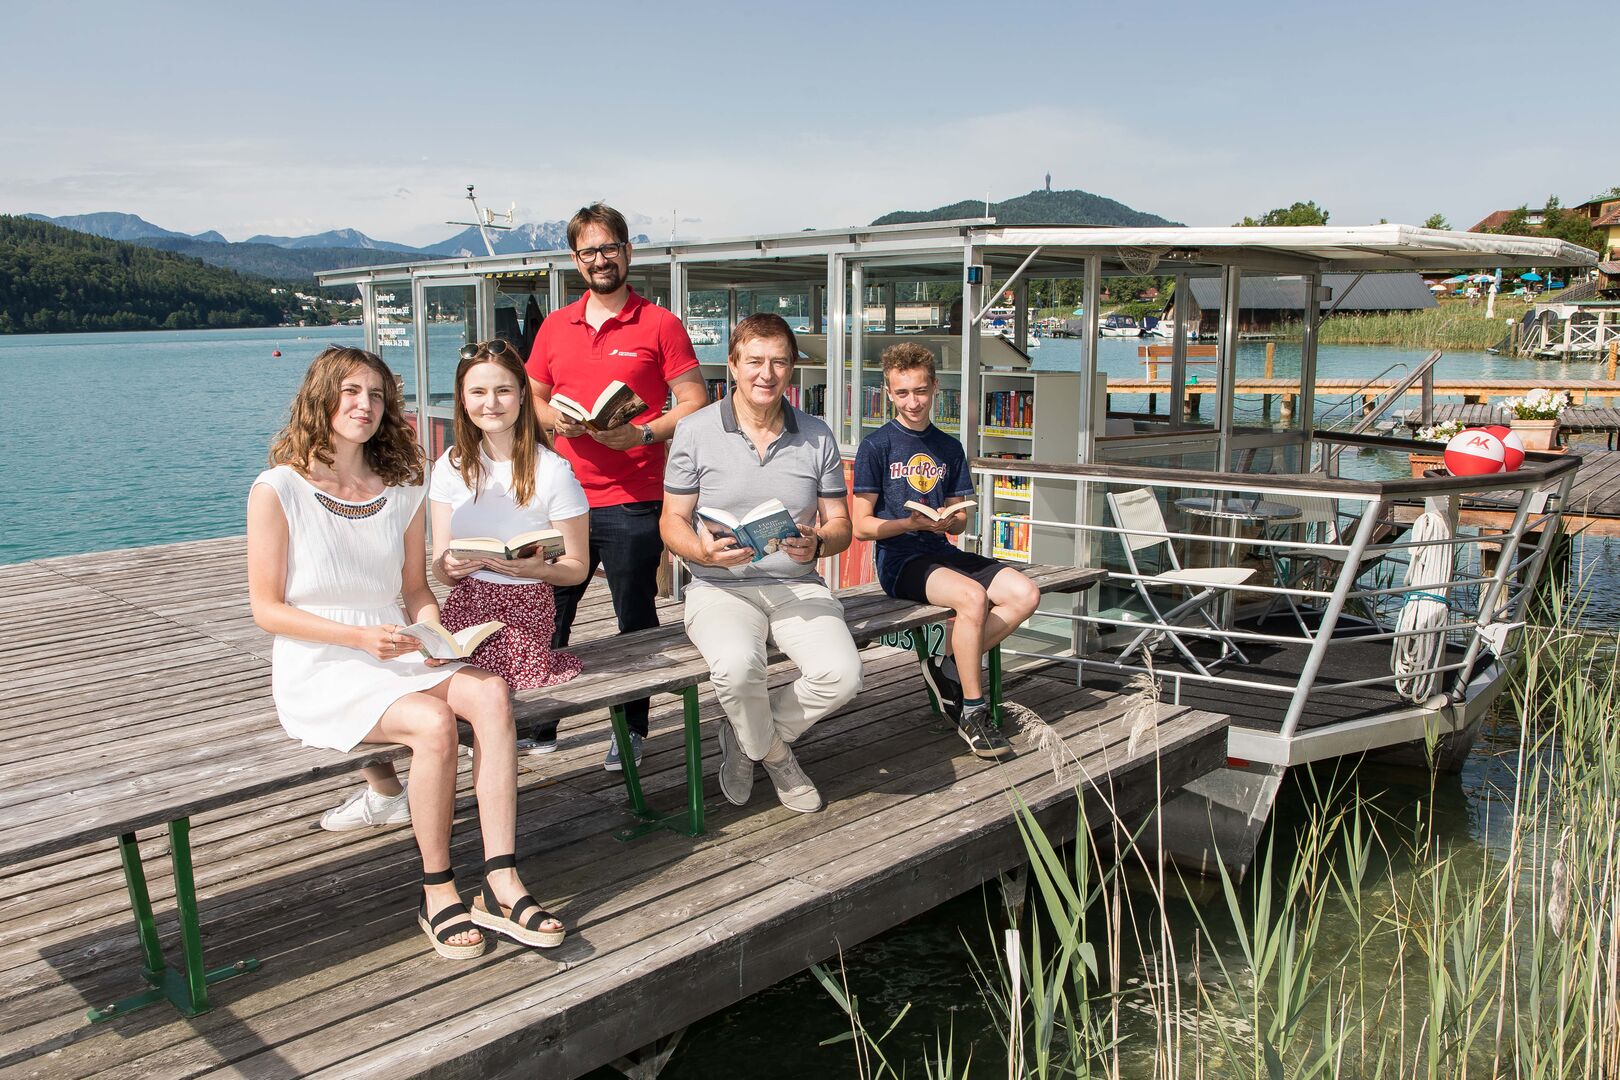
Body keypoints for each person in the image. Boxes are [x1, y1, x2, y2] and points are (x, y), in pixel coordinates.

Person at [247, 346, 564, 959]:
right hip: (323, 660)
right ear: (321, 397)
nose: (364, 405)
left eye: (376, 394)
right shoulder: (278, 489)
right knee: (433, 720)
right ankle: (437, 887)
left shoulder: (402, 487)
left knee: (491, 691)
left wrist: (437, 638)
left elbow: (417, 592)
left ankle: (500, 878)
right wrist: (363, 638)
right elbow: (267, 610)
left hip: (397, 645)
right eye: (350, 392)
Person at [526, 202, 709, 770]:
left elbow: (696, 401)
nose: (600, 260)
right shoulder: (556, 326)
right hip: (562, 502)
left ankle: (631, 730)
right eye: (589, 252)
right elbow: (532, 397)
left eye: (609, 248)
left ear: (628, 252)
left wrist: (643, 435)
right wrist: (560, 420)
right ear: (576, 260)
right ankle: (541, 722)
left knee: (635, 619)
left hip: (633, 499)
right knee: (549, 614)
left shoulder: (660, 324)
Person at [660, 313, 862, 814]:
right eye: (754, 361)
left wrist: (818, 544)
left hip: (797, 583)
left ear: (792, 370)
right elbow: (671, 521)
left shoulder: (817, 436)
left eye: (778, 362)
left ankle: (747, 732)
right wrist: (701, 551)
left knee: (843, 675)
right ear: (732, 365)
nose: (765, 374)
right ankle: (774, 754)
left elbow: (841, 525)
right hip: (718, 585)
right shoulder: (694, 430)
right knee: (735, 667)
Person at [850, 342, 1041, 759]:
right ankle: (972, 712)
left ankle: (948, 664)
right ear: (888, 392)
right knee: (972, 597)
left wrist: (950, 520)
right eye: (902, 393)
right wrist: (909, 522)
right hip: (899, 558)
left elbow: (962, 520)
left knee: (1026, 594)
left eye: (920, 391)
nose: (913, 402)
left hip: (941, 549)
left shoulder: (949, 447)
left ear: (935, 387)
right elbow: (862, 527)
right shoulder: (876, 446)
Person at [429, 339, 590, 698]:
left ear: (521, 395)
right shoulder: (449, 467)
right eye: (478, 392)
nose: (490, 403)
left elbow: (577, 567)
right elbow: (440, 571)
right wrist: (450, 567)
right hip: (465, 611)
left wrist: (539, 570)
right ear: (463, 399)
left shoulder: (553, 470)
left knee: (491, 696)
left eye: (502, 390)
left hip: (525, 612)